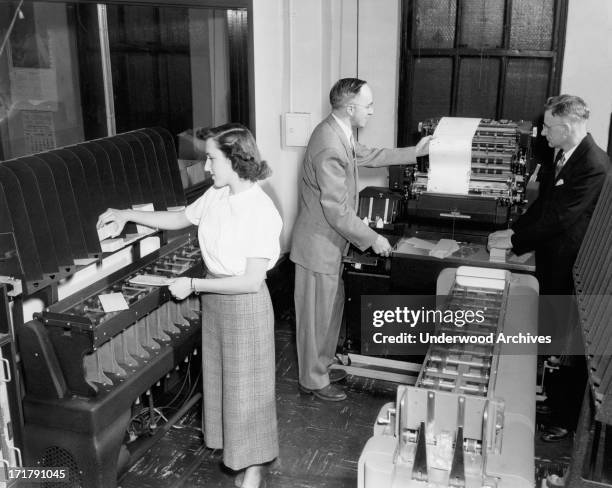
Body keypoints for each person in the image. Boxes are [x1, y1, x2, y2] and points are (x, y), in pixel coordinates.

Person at [97, 123, 281, 488]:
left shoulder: (260, 209)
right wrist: (128, 214)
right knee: (225, 385)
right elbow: (181, 217)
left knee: (248, 391)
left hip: (244, 305)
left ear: (235, 159)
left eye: (212, 159)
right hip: (216, 301)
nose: (207, 167)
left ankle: (255, 468)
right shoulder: (219, 194)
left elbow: (251, 280)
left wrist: (194, 285)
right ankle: (238, 456)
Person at [290, 78, 431, 401]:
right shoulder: (328, 143)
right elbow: (335, 209)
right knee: (315, 317)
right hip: (317, 245)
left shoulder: (339, 131)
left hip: (330, 244)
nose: (371, 111)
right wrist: (372, 238)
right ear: (350, 108)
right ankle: (312, 380)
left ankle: (321, 366)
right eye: (367, 106)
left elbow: (366, 154)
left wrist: (416, 151)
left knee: (329, 311)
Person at [488, 94, 610, 442]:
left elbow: (561, 216)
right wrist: (515, 231)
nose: (542, 133)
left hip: (572, 270)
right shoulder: (566, 156)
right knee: (552, 333)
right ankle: (551, 402)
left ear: (569, 127)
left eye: (549, 126)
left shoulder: (595, 165)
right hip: (553, 261)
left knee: (566, 343)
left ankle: (564, 418)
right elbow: (545, 205)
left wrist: (514, 242)